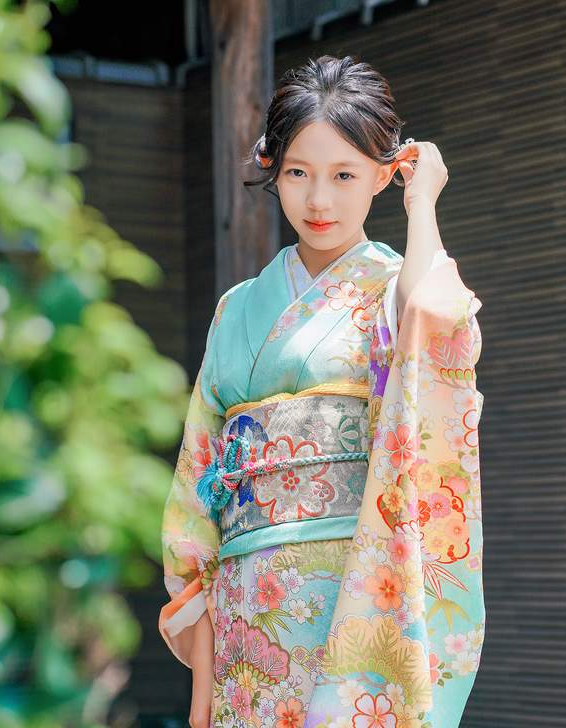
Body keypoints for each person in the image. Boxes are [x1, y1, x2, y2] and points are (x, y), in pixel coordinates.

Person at [158, 56, 485, 728]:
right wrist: (202, 679)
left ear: (383, 173)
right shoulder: (236, 309)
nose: (318, 201)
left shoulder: (394, 288)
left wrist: (422, 203)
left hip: (356, 591)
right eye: (298, 173)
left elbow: (430, 329)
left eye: (343, 175)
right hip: (246, 608)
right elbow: (200, 480)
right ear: (271, 167)